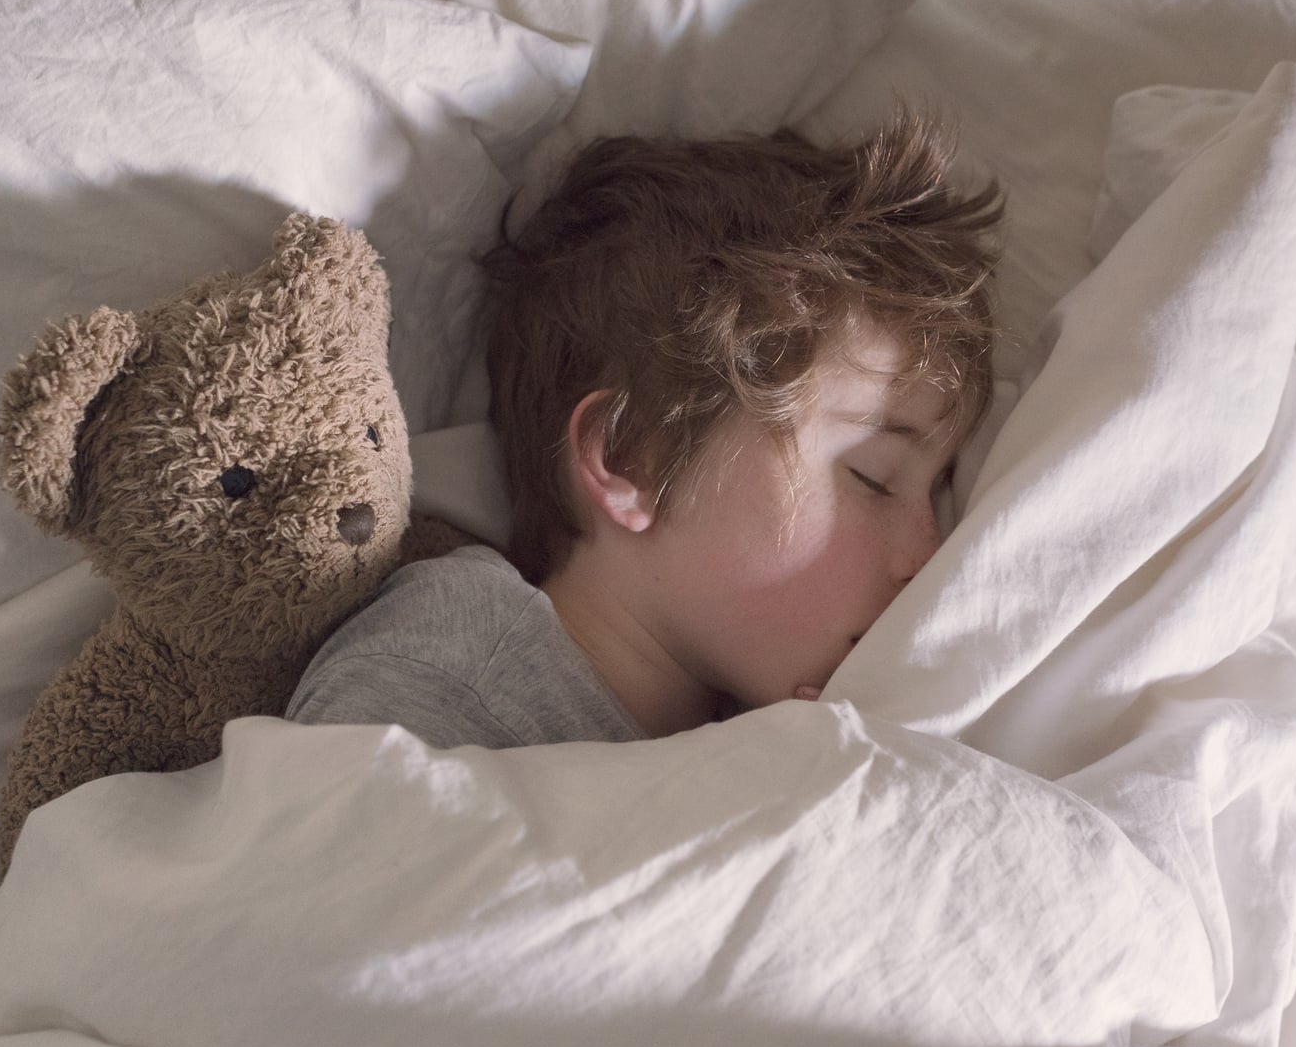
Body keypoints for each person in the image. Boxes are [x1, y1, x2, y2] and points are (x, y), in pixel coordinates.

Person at [285, 106, 1003, 749]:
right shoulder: (452, 672)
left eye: (935, 490)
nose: (928, 556)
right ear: (637, 457)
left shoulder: (738, 736)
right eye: (873, 477)